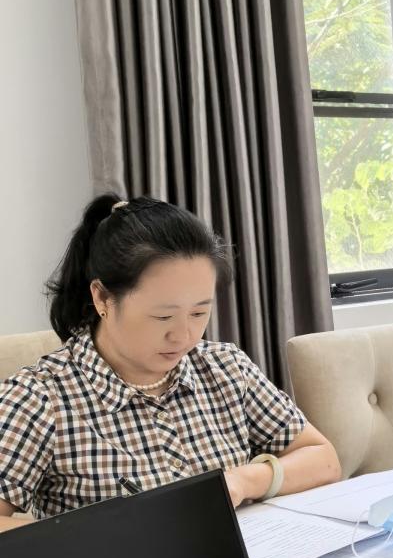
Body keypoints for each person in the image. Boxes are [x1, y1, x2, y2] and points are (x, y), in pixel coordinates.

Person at [0, 195, 341, 529]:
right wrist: (93, 536)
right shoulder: (39, 398)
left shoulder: (225, 367)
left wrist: (242, 481)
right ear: (102, 297)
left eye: (199, 313)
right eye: (163, 317)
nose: (184, 336)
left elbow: (323, 459)